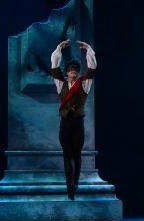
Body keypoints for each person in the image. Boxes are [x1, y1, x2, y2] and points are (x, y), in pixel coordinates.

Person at [50, 39, 97, 200]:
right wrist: (59, 48)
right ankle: (69, 185)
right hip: (65, 123)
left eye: (75, 70)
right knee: (66, 154)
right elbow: (54, 67)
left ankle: (75, 182)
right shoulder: (60, 83)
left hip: (78, 123)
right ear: (67, 72)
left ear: (77, 72)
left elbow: (92, 68)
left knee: (76, 154)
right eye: (70, 70)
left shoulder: (84, 84)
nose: (73, 72)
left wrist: (89, 50)